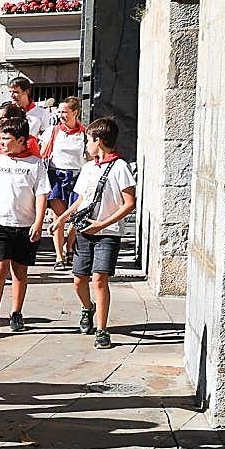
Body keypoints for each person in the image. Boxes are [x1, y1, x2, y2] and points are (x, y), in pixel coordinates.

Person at [64, 117, 137, 349]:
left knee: (99, 279)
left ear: (100, 141)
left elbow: (129, 203)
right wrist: (62, 220)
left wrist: (103, 223)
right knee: (78, 281)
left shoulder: (121, 167)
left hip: (108, 232)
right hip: (86, 228)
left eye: (89, 140)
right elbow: (82, 200)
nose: (86, 145)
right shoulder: (88, 168)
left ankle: (102, 329)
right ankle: (87, 308)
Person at [0, 118, 49, 338]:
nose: (1, 142)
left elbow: (41, 195)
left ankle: (16, 312)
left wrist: (38, 222)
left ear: (21, 140)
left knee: (20, 271)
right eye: (0, 138)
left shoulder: (35, 164)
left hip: (24, 224)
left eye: (7, 138)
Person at [41, 95, 89, 267]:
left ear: (75, 112)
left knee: (76, 217)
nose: (61, 115)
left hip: (77, 176)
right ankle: (59, 256)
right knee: (58, 217)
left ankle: (70, 246)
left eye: (65, 111)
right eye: (59, 111)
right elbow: (43, 153)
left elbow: (89, 158)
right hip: (57, 176)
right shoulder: (53, 131)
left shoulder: (84, 134)